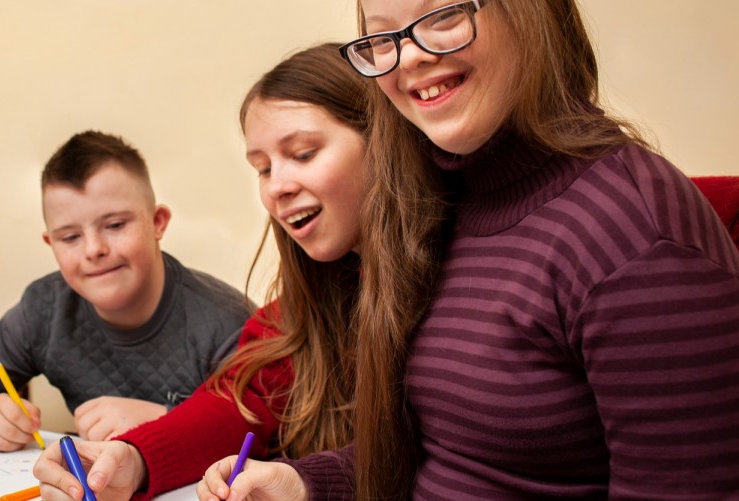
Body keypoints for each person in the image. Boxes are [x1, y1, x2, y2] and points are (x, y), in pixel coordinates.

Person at [201, 1, 739, 500]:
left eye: (442, 14)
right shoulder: (449, 205)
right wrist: (304, 482)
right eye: (381, 35)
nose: (409, 55)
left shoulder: (634, 230)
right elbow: (445, 452)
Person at [31, 44, 428, 501]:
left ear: (383, 142)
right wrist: (133, 458)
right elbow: (242, 401)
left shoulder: (456, 285)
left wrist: (308, 481)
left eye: (302, 154)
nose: (276, 186)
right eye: (262, 168)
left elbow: (434, 450)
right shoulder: (303, 307)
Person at [0, 131, 251, 453]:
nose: (94, 249)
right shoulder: (46, 307)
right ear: (50, 243)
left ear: (157, 223)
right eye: (70, 238)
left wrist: (167, 422)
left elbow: (274, 431)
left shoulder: (228, 322)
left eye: (115, 226)